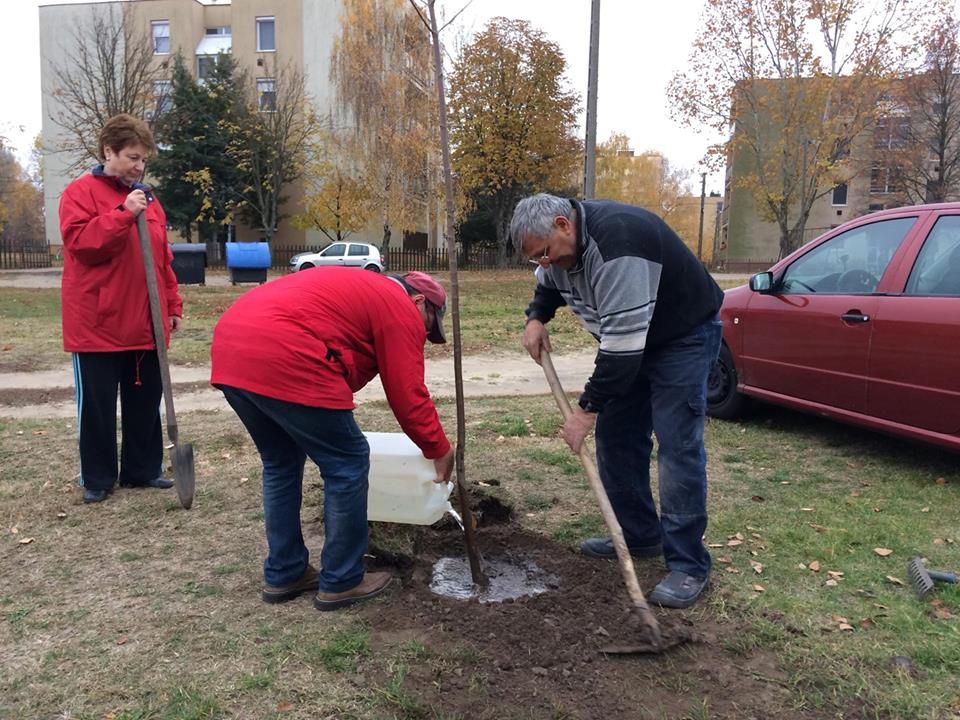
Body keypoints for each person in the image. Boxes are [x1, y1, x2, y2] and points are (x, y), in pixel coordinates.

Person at [512, 193, 724, 609]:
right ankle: (640, 534)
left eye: (546, 253)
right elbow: (548, 286)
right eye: (536, 259)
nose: (545, 264)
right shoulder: (559, 254)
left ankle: (688, 565)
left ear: (562, 224)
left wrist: (583, 411)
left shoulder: (619, 245)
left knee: (676, 447)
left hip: (681, 338)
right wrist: (536, 316)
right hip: (631, 342)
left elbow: (621, 354)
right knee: (617, 438)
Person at [210, 267, 455, 611]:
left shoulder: (360, 289)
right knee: (348, 462)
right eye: (428, 325)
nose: (424, 335)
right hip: (286, 351)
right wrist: (438, 448)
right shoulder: (399, 306)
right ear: (418, 302)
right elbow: (407, 393)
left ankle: (286, 572)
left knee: (281, 463)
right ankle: (343, 579)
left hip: (232, 348)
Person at [59, 113, 182, 505]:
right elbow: (82, 244)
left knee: (145, 401)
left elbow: (162, 259)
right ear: (108, 151)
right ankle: (97, 478)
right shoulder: (80, 193)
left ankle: (142, 470)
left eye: (143, 159)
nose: (139, 166)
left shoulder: (150, 199)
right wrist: (122, 215)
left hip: (145, 320)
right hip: (98, 322)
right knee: (97, 407)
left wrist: (173, 305)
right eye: (132, 157)